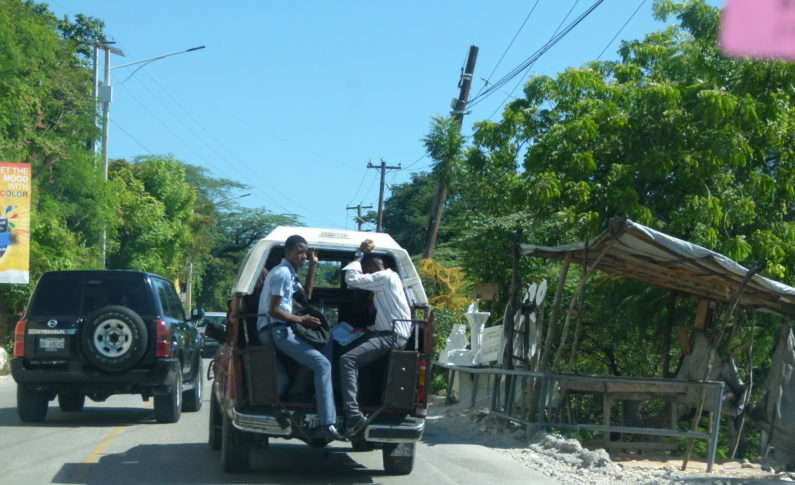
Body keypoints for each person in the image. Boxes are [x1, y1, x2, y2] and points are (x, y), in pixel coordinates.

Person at [256, 234, 344, 441]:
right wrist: (301, 320)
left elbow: (306, 297)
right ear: (287, 252)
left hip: (281, 328)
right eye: (300, 252)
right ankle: (327, 423)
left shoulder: (290, 274)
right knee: (323, 365)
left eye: (306, 252)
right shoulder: (282, 274)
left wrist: (313, 267)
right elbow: (274, 310)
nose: (303, 256)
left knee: (324, 343)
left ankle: (302, 396)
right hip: (276, 330)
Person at [339, 239, 412, 436]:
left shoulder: (383, 277)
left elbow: (351, 279)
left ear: (369, 268)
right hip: (391, 333)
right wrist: (367, 330)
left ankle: (353, 413)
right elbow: (387, 315)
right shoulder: (392, 278)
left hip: (391, 336)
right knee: (352, 350)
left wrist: (358, 256)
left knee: (347, 360)